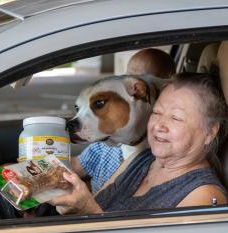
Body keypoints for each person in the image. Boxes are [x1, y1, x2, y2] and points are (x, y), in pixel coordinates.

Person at [51, 73, 228, 214]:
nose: (159, 125)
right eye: (157, 113)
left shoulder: (204, 196)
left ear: (209, 132)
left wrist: (88, 210)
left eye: (176, 118)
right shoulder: (143, 159)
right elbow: (97, 203)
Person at [71, 48, 176, 193]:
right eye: (128, 75)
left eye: (147, 79)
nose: (136, 86)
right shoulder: (106, 141)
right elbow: (74, 167)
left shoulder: (162, 153)